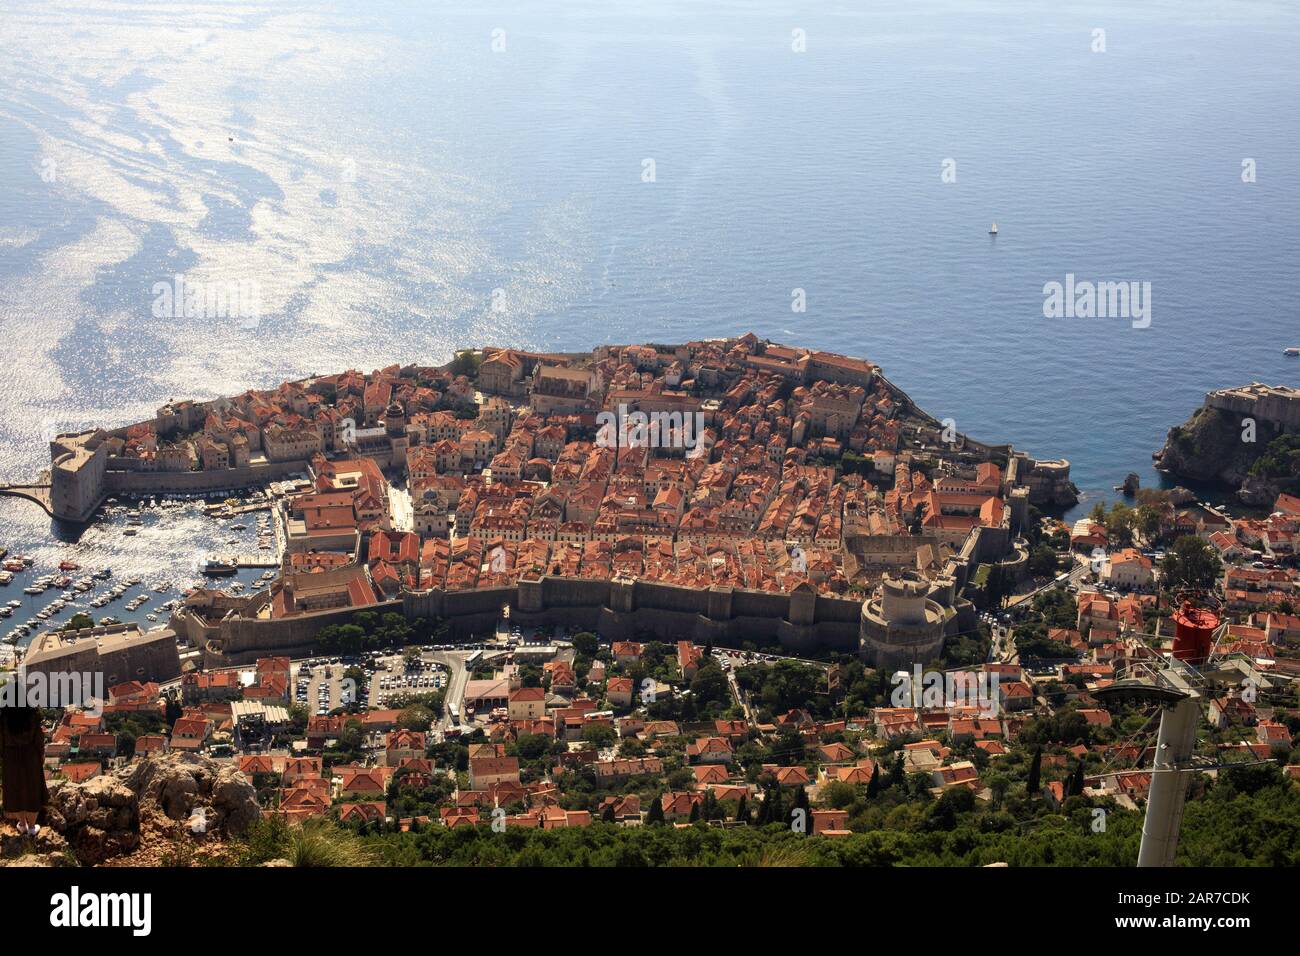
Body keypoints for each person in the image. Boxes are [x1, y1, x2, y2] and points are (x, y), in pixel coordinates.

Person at [0, 705, 48, 837]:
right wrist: (41, 754)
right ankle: (32, 827)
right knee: (33, 790)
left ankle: (22, 824)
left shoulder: (3, 718)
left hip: (11, 758)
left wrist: (4, 756)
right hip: (30, 756)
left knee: (15, 791)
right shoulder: (33, 715)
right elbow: (39, 738)